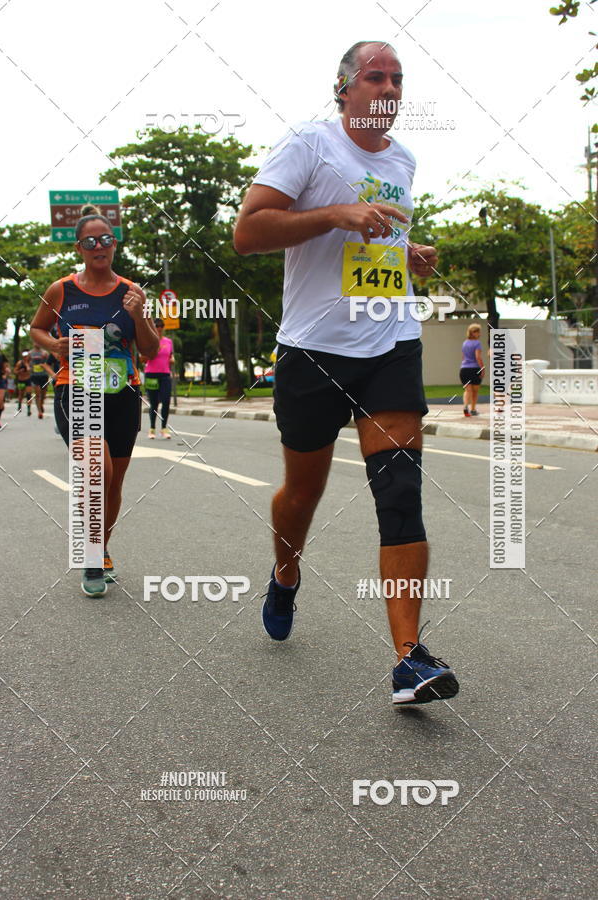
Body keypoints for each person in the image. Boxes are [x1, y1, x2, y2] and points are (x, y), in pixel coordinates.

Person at [234, 40, 459, 706]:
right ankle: (284, 570)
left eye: (397, 79)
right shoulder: (309, 143)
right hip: (312, 351)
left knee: (399, 495)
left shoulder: (404, 159)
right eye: (375, 76)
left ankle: (408, 660)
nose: (388, 87)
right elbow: (249, 232)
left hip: (390, 340)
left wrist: (406, 250)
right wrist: (334, 214)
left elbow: (374, 239)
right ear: (344, 88)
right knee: (301, 495)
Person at [30, 205, 159, 596]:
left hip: (123, 393)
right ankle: (88, 554)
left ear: (114, 244)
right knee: (97, 471)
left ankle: (100, 549)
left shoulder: (132, 292)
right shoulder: (62, 290)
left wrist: (140, 317)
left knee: (115, 481)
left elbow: (150, 351)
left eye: (105, 239)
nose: (99, 246)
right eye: (90, 241)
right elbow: (37, 328)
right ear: (80, 247)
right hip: (78, 390)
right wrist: (54, 344)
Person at [142, 317, 174, 439]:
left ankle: (164, 428)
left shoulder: (168, 342)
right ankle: (152, 428)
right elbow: (143, 359)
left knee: (166, 401)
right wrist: (154, 351)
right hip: (151, 374)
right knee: (154, 403)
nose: (159, 328)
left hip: (165, 374)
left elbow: (170, 356)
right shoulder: (148, 341)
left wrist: (172, 359)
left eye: (161, 326)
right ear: (152, 327)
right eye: (157, 326)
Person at [460, 323, 484, 417]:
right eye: (477, 332)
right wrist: (482, 368)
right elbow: (478, 357)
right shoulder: (477, 343)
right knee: (475, 391)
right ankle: (473, 409)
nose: (479, 334)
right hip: (474, 368)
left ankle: (466, 406)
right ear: (473, 333)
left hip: (464, 369)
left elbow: (463, 357)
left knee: (467, 390)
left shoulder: (464, 343)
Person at [28, 341, 51, 419]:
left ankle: (41, 404)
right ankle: (39, 412)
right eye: (35, 342)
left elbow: (49, 363)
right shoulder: (30, 353)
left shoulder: (45, 353)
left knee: (43, 394)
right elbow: (26, 362)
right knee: (37, 393)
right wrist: (29, 367)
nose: (36, 343)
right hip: (34, 375)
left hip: (44, 375)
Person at [0, 342, 9, 429]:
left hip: (0, 380)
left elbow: (6, 368)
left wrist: (5, 374)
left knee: (0, 401)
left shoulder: (1, 357)